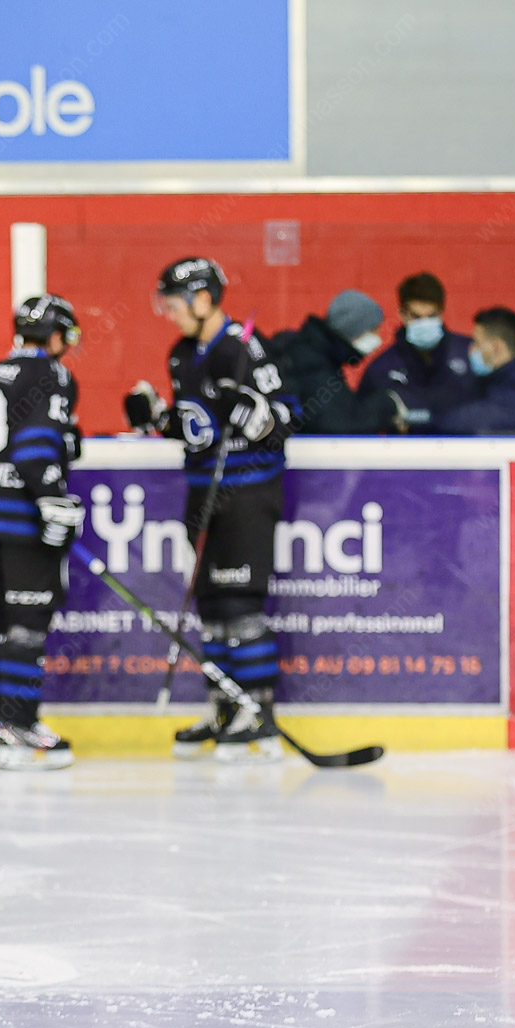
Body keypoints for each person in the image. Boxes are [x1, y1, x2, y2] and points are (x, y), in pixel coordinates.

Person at [123, 257, 294, 759]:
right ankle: (225, 707)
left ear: (203, 299)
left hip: (247, 494)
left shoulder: (244, 348)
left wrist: (262, 417)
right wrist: (158, 418)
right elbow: (196, 427)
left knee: (240, 606)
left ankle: (259, 714)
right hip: (202, 494)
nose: (169, 313)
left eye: (175, 303)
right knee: (212, 607)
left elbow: (288, 415)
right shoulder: (181, 354)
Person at [0, 294, 86, 770]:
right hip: (24, 520)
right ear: (56, 336)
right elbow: (35, 447)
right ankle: (19, 726)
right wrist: (51, 499)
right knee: (27, 627)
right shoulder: (51, 374)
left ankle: (0, 727)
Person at [358, 272, 479, 434]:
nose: (424, 324)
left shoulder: (470, 354)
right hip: (404, 449)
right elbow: (361, 425)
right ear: (402, 314)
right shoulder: (381, 369)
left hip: (463, 448)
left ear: (442, 313)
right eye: (416, 317)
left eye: (432, 316)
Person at [274, 289, 400, 434]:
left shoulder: (318, 353)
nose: (378, 338)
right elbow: (339, 421)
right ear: (354, 329)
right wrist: (389, 405)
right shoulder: (308, 361)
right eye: (373, 330)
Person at [432, 306, 515, 435]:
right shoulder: (496, 383)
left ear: (496, 347)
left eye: (477, 343)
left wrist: (431, 419)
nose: (471, 349)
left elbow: (471, 420)